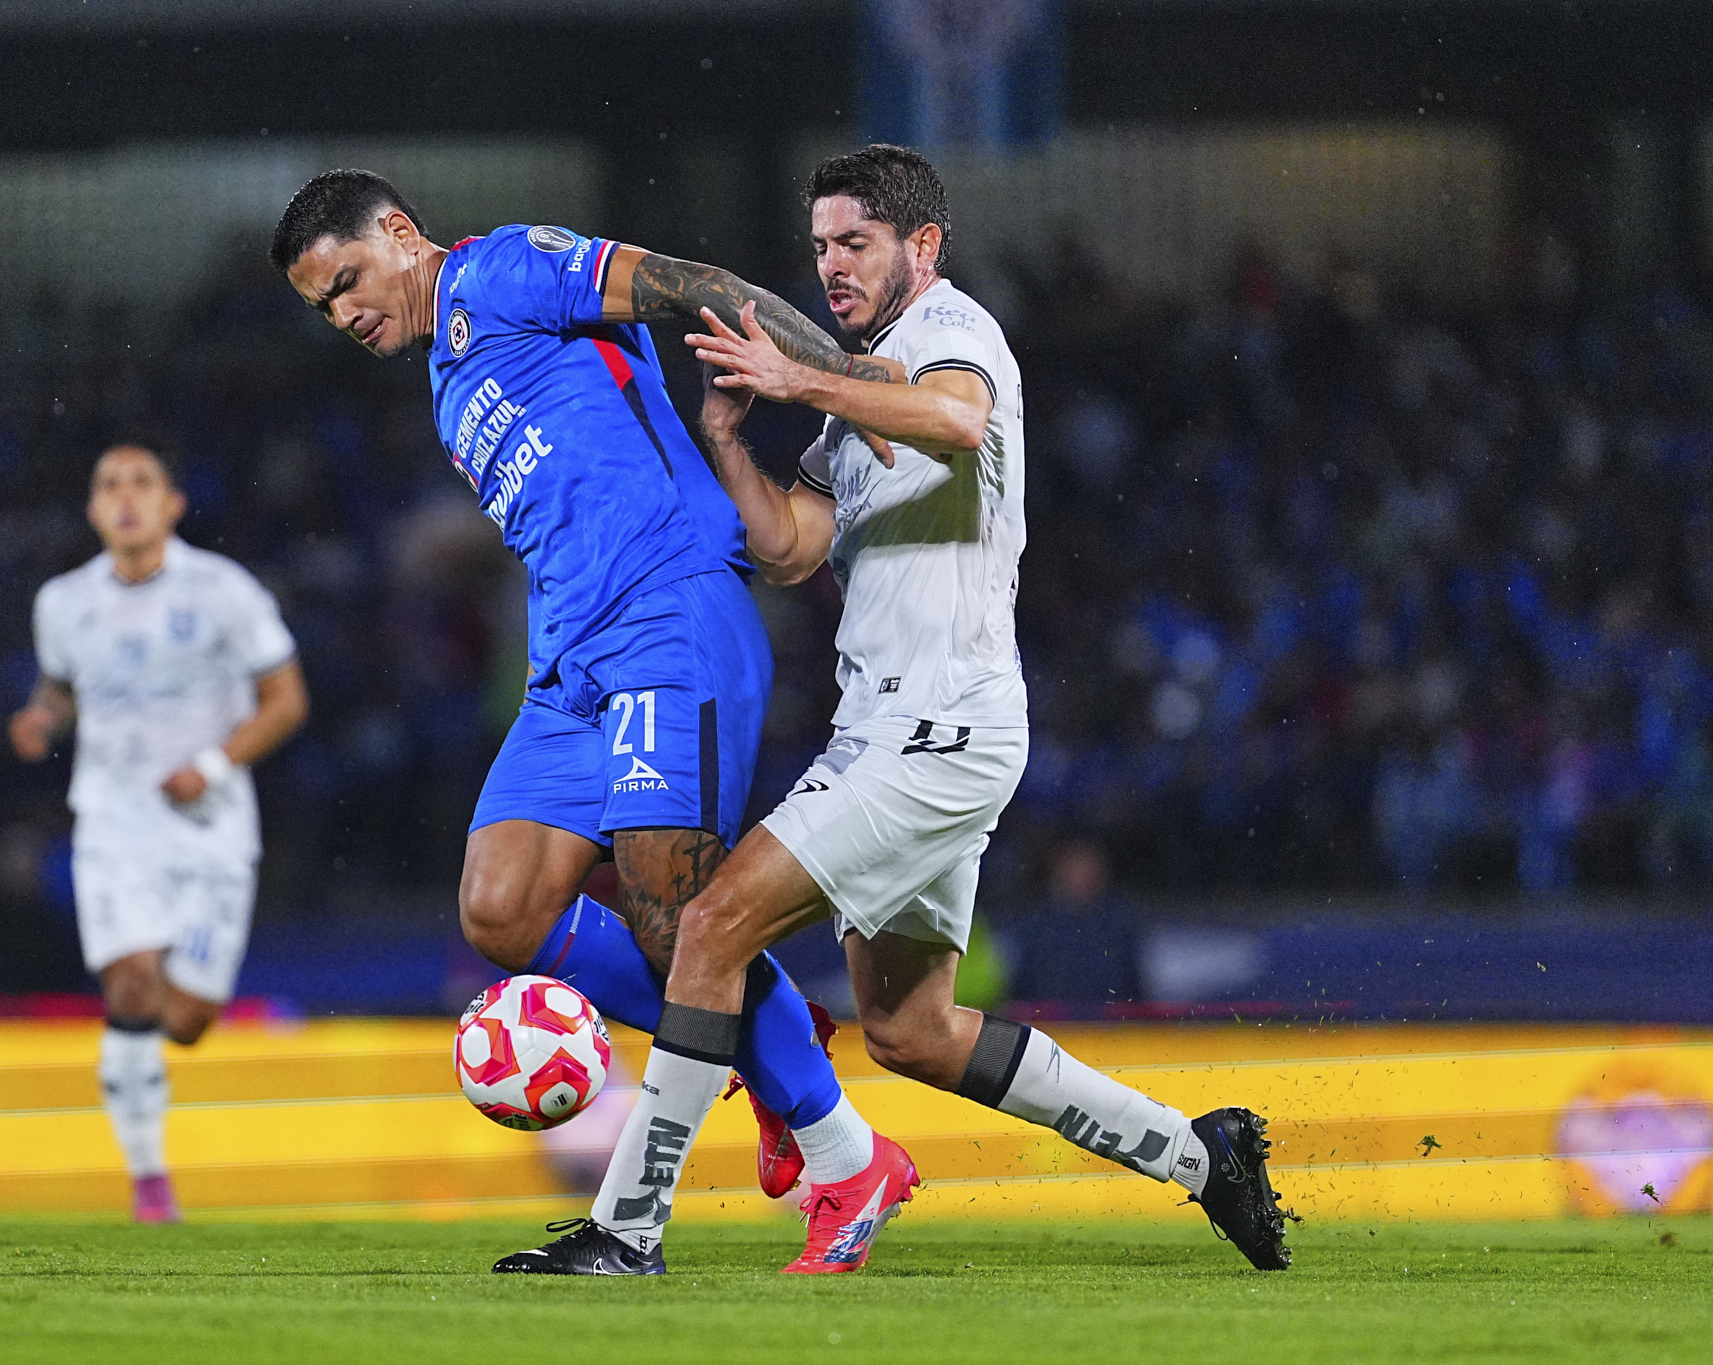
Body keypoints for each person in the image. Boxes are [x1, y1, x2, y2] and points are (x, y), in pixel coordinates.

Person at [566, 144, 1294, 1274]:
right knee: (909, 1031)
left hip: (932, 727)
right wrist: (725, 437)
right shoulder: (855, 389)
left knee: (706, 926)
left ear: (923, 245)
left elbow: (955, 424)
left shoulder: (949, 336)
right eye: (817, 248)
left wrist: (802, 380)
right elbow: (793, 548)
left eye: (852, 243)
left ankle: (624, 1229)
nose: (829, 269)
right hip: (903, 728)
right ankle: (1201, 1157)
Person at [269, 171, 905, 1274]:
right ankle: (773, 1039)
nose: (342, 315)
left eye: (345, 283)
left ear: (397, 234)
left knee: (676, 926)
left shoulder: (506, 268)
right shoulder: (446, 379)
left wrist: (838, 379)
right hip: (567, 670)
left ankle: (843, 1159)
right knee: (502, 911)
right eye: (321, 308)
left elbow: (685, 284)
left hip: (668, 620)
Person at [10, 442, 309, 1223]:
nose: (125, 496)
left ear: (173, 504)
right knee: (132, 980)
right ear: (92, 509)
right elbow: (62, 685)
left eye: (141, 481)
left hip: (209, 825)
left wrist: (210, 765)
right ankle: (148, 1181)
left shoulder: (222, 591)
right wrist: (45, 718)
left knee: (185, 1019)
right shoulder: (63, 602)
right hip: (114, 819)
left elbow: (285, 699)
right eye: (108, 483)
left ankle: (154, 1126)